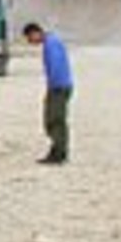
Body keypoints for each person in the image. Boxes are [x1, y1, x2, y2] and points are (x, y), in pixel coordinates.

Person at [22, 21, 73, 164]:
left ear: (35, 33)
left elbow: (56, 67)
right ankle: (57, 150)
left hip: (59, 87)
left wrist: (53, 88)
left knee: (55, 119)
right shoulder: (52, 42)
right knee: (53, 119)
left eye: (30, 38)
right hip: (59, 86)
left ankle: (59, 153)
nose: (30, 42)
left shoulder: (51, 44)